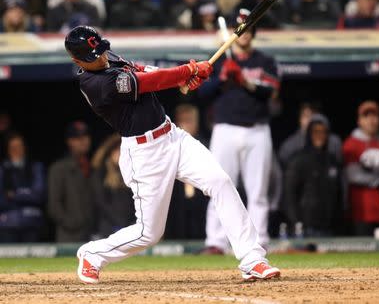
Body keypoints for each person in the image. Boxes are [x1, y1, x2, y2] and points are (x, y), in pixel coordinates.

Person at [64, 25, 280, 284]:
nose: (100, 57)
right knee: (149, 233)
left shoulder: (106, 57)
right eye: (92, 56)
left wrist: (183, 77)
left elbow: (145, 71)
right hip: (144, 153)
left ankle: (252, 259)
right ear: (77, 60)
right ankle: (93, 253)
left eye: (99, 51)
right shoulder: (94, 83)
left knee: (220, 181)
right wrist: (187, 71)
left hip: (172, 136)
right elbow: (146, 82)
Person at [202, 9, 279, 254]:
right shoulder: (219, 59)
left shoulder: (265, 61)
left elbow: (270, 89)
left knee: (257, 191)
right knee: (219, 185)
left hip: (257, 130)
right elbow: (202, 93)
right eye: (241, 30)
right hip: (225, 129)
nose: (244, 35)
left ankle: (259, 240)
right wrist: (222, 78)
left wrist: (245, 81)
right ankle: (216, 242)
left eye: (248, 30)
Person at [343, 100, 379, 236]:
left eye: (374, 116)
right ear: (359, 121)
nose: (371, 120)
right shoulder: (350, 144)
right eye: (366, 116)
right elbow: (352, 175)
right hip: (361, 213)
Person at [284, 114, 342, 237]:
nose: (320, 136)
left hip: (328, 227)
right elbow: (289, 195)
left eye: (323, 132)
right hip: (305, 227)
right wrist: (296, 222)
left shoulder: (332, 161)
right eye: (316, 132)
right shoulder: (298, 160)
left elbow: (339, 195)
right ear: (309, 134)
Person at [165, 104, 209, 239]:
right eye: (181, 120)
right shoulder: (168, 146)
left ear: (196, 122)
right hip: (177, 202)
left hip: (202, 201)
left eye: (188, 120)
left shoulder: (206, 146)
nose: (184, 124)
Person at [48, 121, 97, 242]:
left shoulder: (94, 167)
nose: (83, 141)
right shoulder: (58, 168)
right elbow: (54, 206)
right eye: (78, 138)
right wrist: (72, 223)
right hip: (69, 236)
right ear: (69, 141)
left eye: (85, 136)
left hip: (93, 234)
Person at [0, 132, 45, 242]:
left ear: (24, 148)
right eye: (13, 147)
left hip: (32, 223)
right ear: (8, 150)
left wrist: (14, 194)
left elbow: (39, 195)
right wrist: (27, 194)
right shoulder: (2, 170)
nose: (16, 150)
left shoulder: (35, 167)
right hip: (7, 225)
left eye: (19, 147)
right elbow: (2, 199)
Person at [92, 134, 135, 238]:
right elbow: (100, 202)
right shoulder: (101, 173)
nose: (119, 154)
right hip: (107, 228)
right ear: (110, 153)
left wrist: (129, 223)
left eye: (122, 151)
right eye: (117, 151)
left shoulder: (131, 173)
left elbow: (134, 203)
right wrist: (119, 221)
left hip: (129, 226)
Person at [278, 102, 342, 168]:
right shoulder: (289, 145)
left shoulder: (334, 142)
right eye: (306, 116)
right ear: (300, 119)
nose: (310, 120)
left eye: (314, 115)